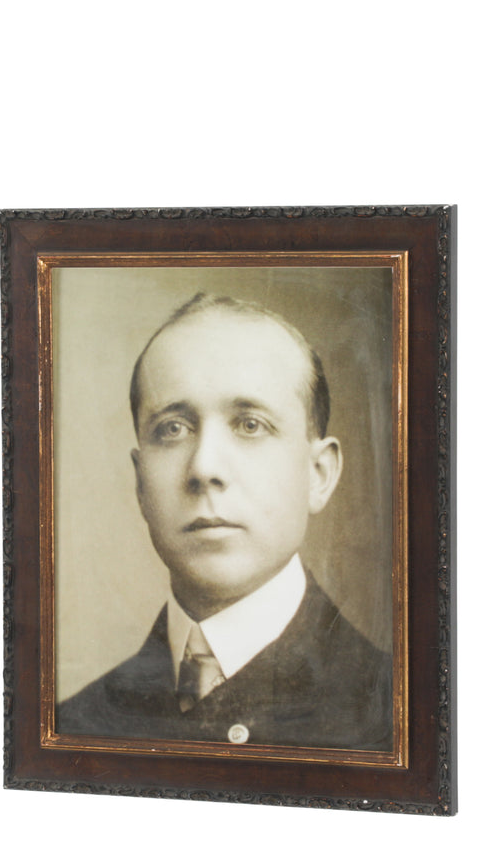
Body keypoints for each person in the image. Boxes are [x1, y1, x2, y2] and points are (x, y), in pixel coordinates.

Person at [57, 292, 393, 751]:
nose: (204, 467)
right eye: (172, 429)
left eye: (250, 424)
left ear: (318, 474)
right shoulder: (73, 728)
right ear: (140, 483)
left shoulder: (398, 716)